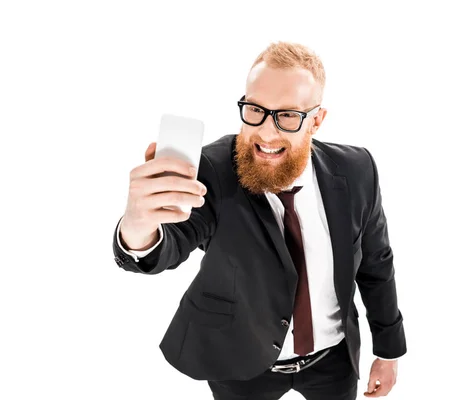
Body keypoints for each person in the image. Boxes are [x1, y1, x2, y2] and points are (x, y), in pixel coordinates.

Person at [112, 41, 407, 400]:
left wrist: (388, 350)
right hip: (241, 362)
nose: (266, 133)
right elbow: (172, 241)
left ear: (316, 120)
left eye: (287, 116)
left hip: (334, 361)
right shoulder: (213, 170)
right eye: (255, 109)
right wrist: (138, 226)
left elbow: (377, 264)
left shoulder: (358, 170)